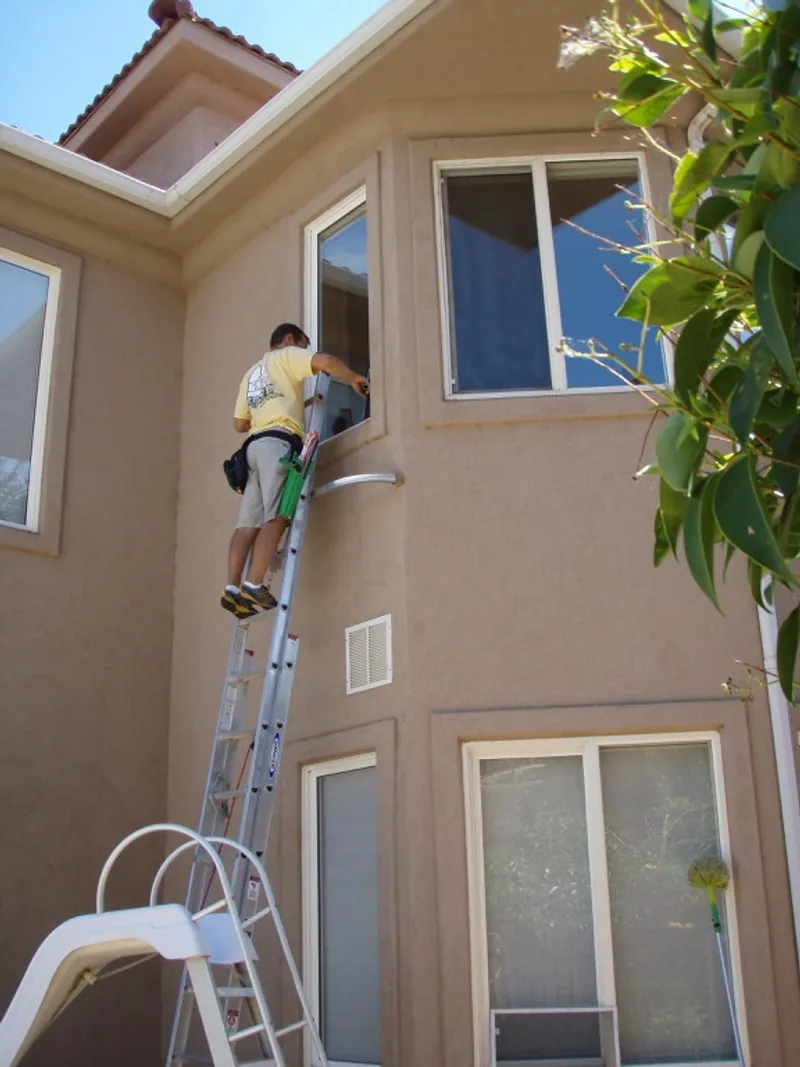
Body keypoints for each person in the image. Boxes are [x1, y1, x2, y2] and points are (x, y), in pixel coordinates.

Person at [222, 322, 369, 618]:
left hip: (253, 449)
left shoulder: (252, 373)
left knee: (246, 525)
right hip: (278, 445)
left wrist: (275, 411)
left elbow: (239, 424)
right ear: (289, 339)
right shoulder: (286, 356)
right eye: (304, 344)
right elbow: (325, 362)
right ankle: (254, 583)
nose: (305, 351)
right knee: (277, 516)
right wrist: (352, 377)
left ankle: (233, 588)